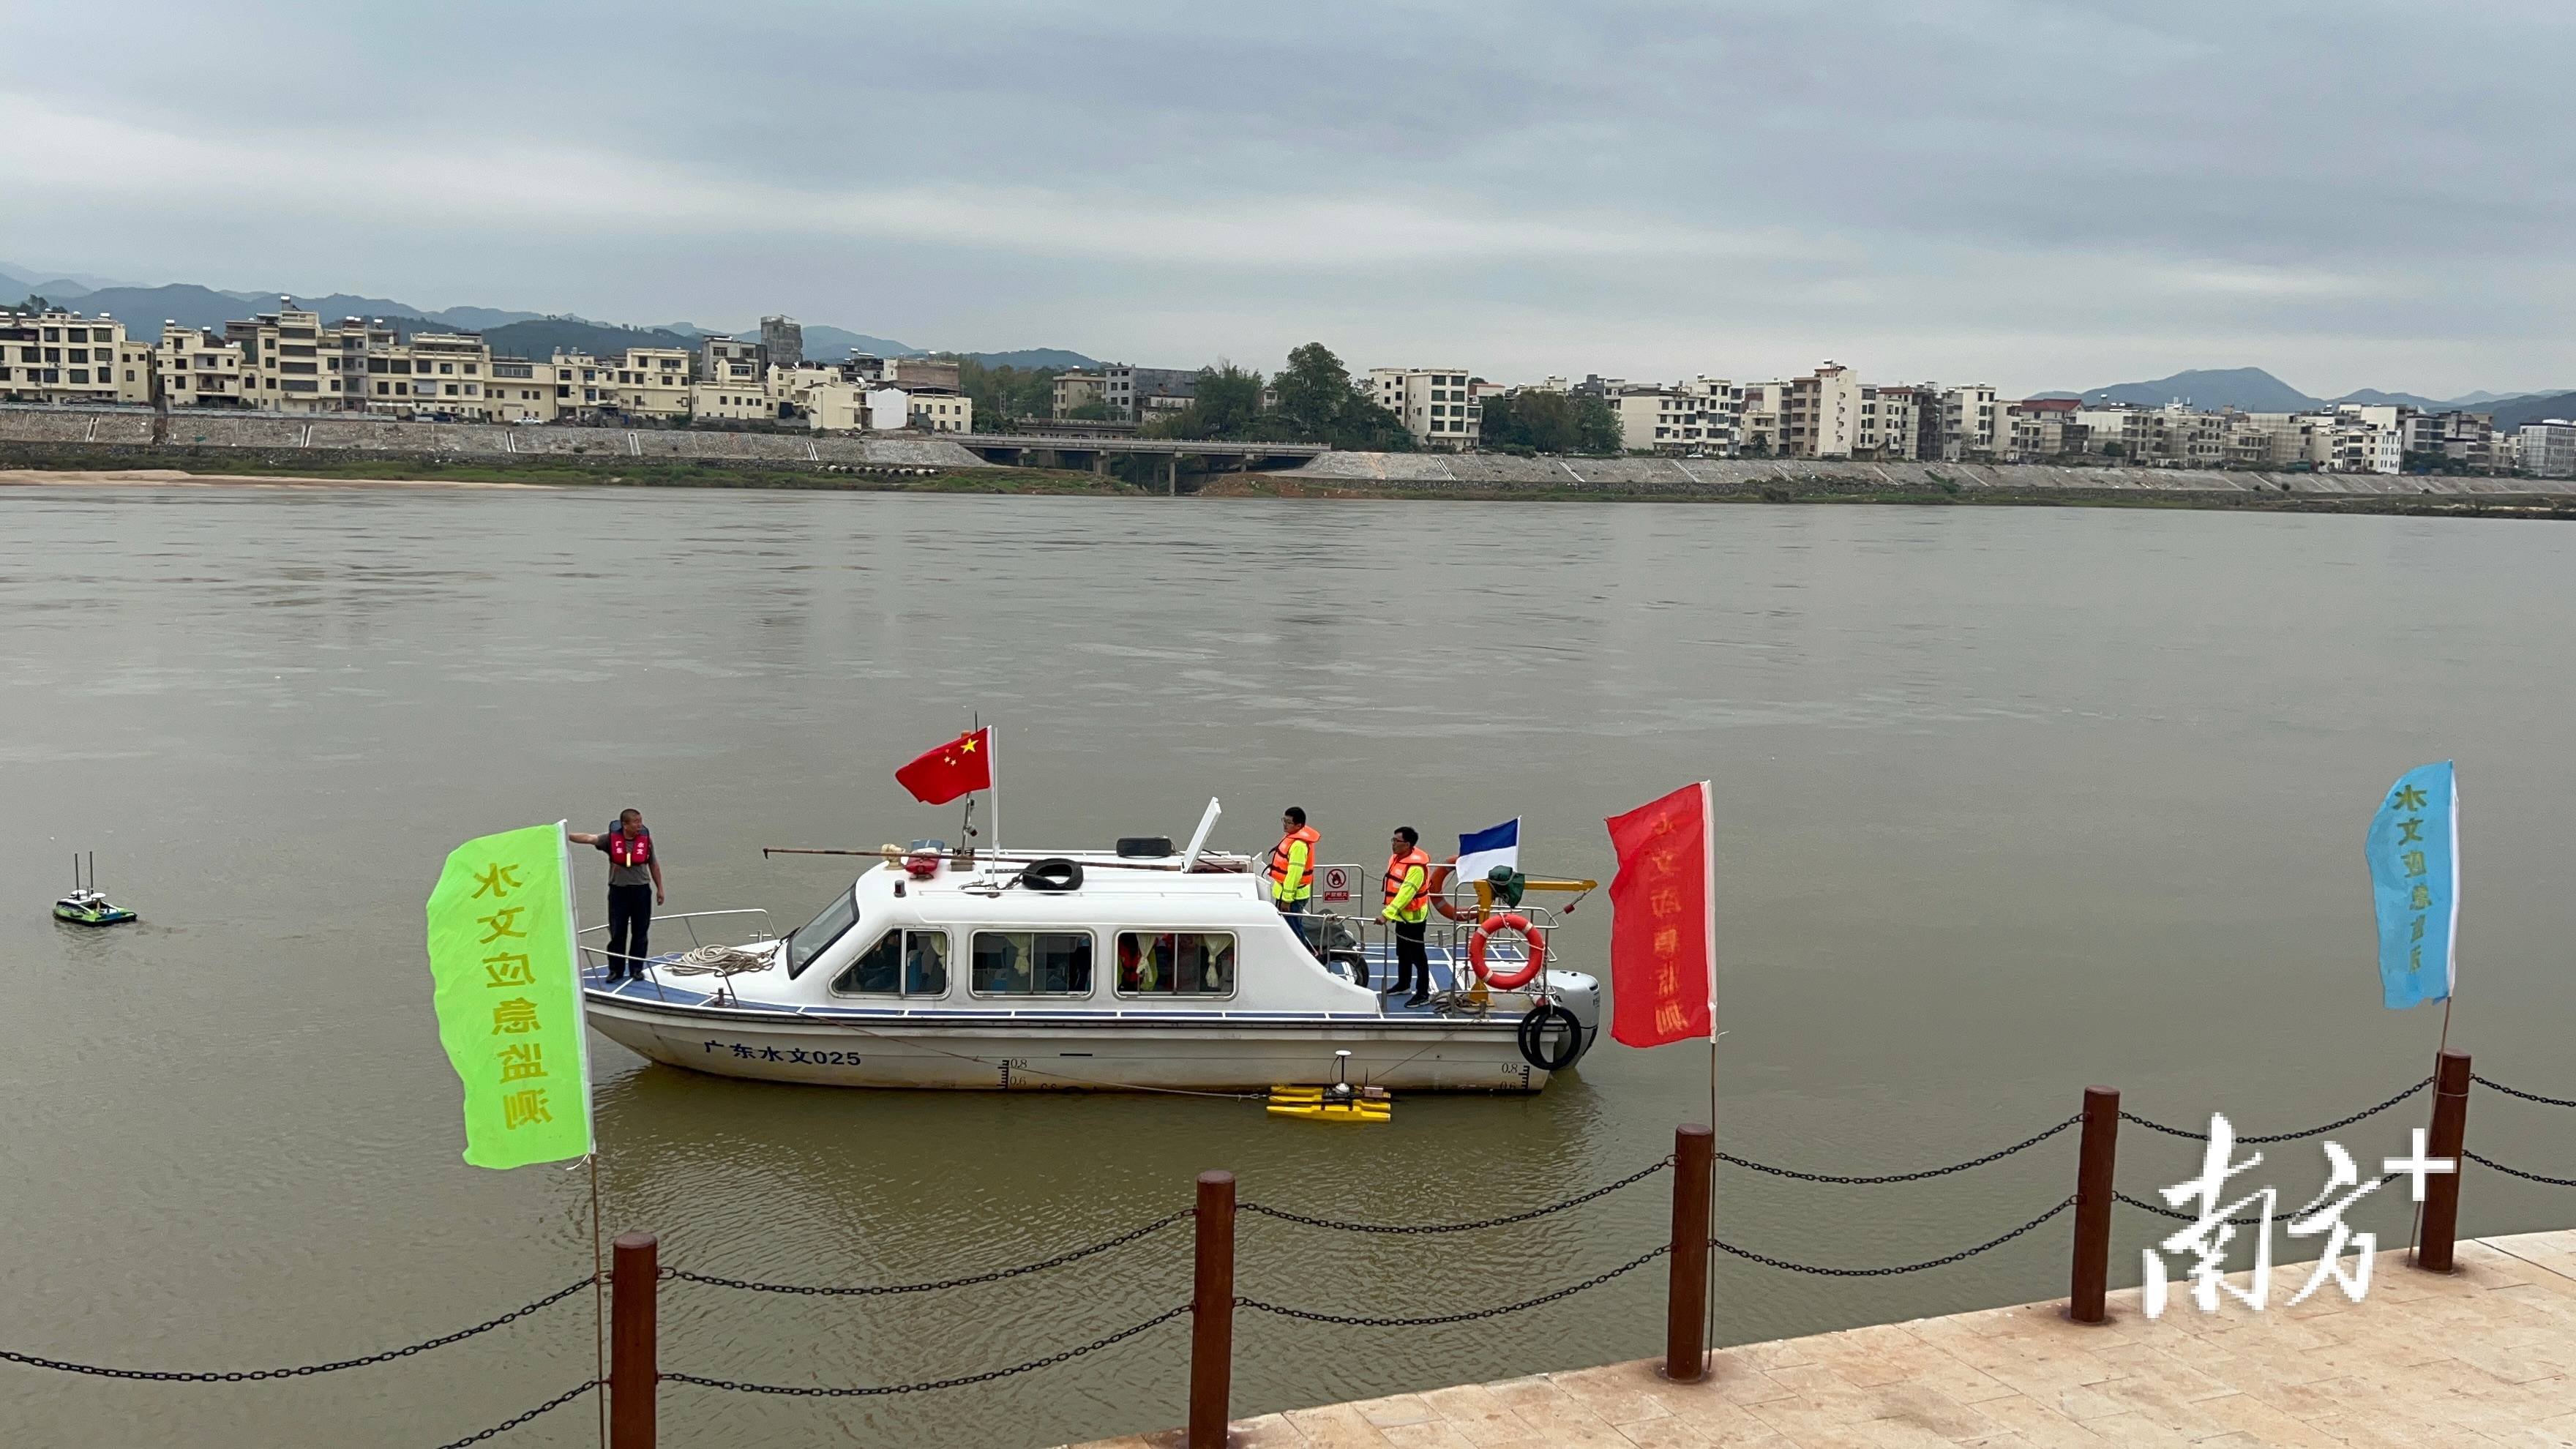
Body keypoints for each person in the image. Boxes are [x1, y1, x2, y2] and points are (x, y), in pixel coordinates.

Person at [568, 810, 663, 982]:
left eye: (640, 821)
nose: (639, 825)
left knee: (640, 932)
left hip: (641, 890)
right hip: (619, 892)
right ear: (625, 824)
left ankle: (636, 969)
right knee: (617, 933)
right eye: (635, 822)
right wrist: (564, 835)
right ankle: (616, 970)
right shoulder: (610, 840)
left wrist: (660, 888)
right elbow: (588, 838)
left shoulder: (646, 841)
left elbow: (654, 864)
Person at [1381, 825, 1434, 1007]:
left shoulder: (1416, 868)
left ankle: (1422, 993)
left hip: (1414, 918)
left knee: (1418, 956)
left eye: (1397, 841)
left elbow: (1406, 893)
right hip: (1401, 916)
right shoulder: (1397, 858)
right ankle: (1404, 984)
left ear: (1408, 844)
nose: (1393, 844)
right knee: (1402, 952)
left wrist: (1386, 915)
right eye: (1393, 840)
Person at [1267, 806, 1321, 950]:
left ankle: (1304, 958)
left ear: (1299, 826)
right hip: (1287, 893)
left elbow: (1294, 874)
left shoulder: (1299, 845)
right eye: (1284, 820)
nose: (1285, 824)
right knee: (1290, 928)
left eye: (1288, 822)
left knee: (1293, 931)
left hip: (1293, 897)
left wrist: (1287, 899)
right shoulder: (1291, 838)